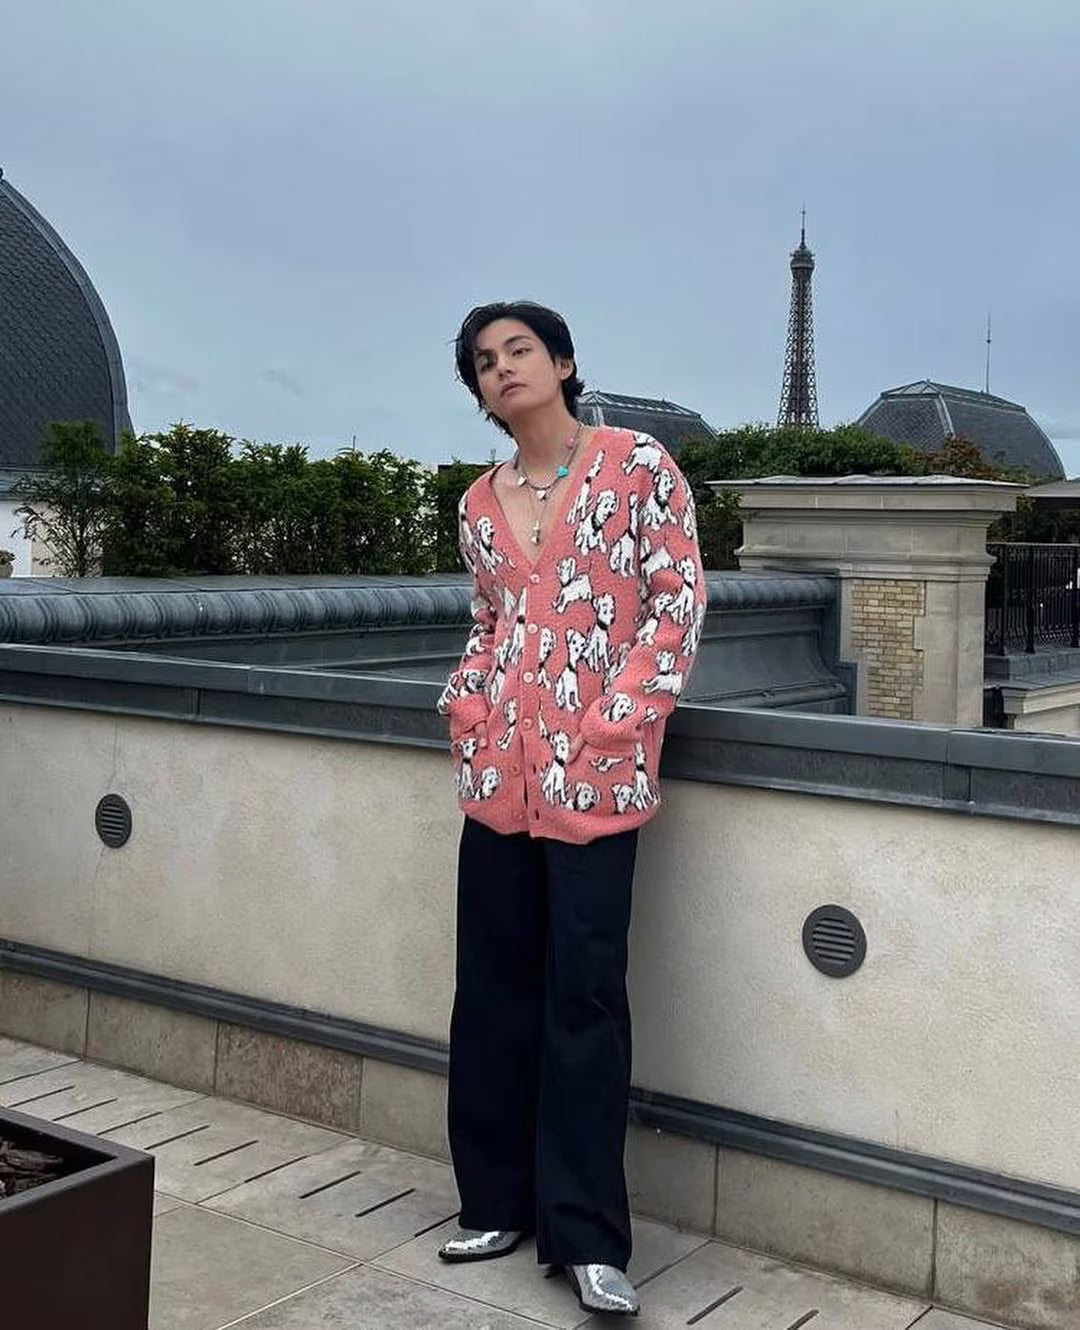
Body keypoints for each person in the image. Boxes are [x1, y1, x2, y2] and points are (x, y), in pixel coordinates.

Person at [436, 301, 706, 1317]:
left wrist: (613, 722)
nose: (502, 368)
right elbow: (489, 621)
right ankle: (494, 1201)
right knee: (491, 990)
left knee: (584, 1001)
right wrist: (469, 705)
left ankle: (588, 1235)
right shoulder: (478, 503)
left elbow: (676, 605)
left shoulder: (638, 465)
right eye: (484, 361)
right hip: (497, 783)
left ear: (562, 362)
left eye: (519, 350)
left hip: (595, 782)